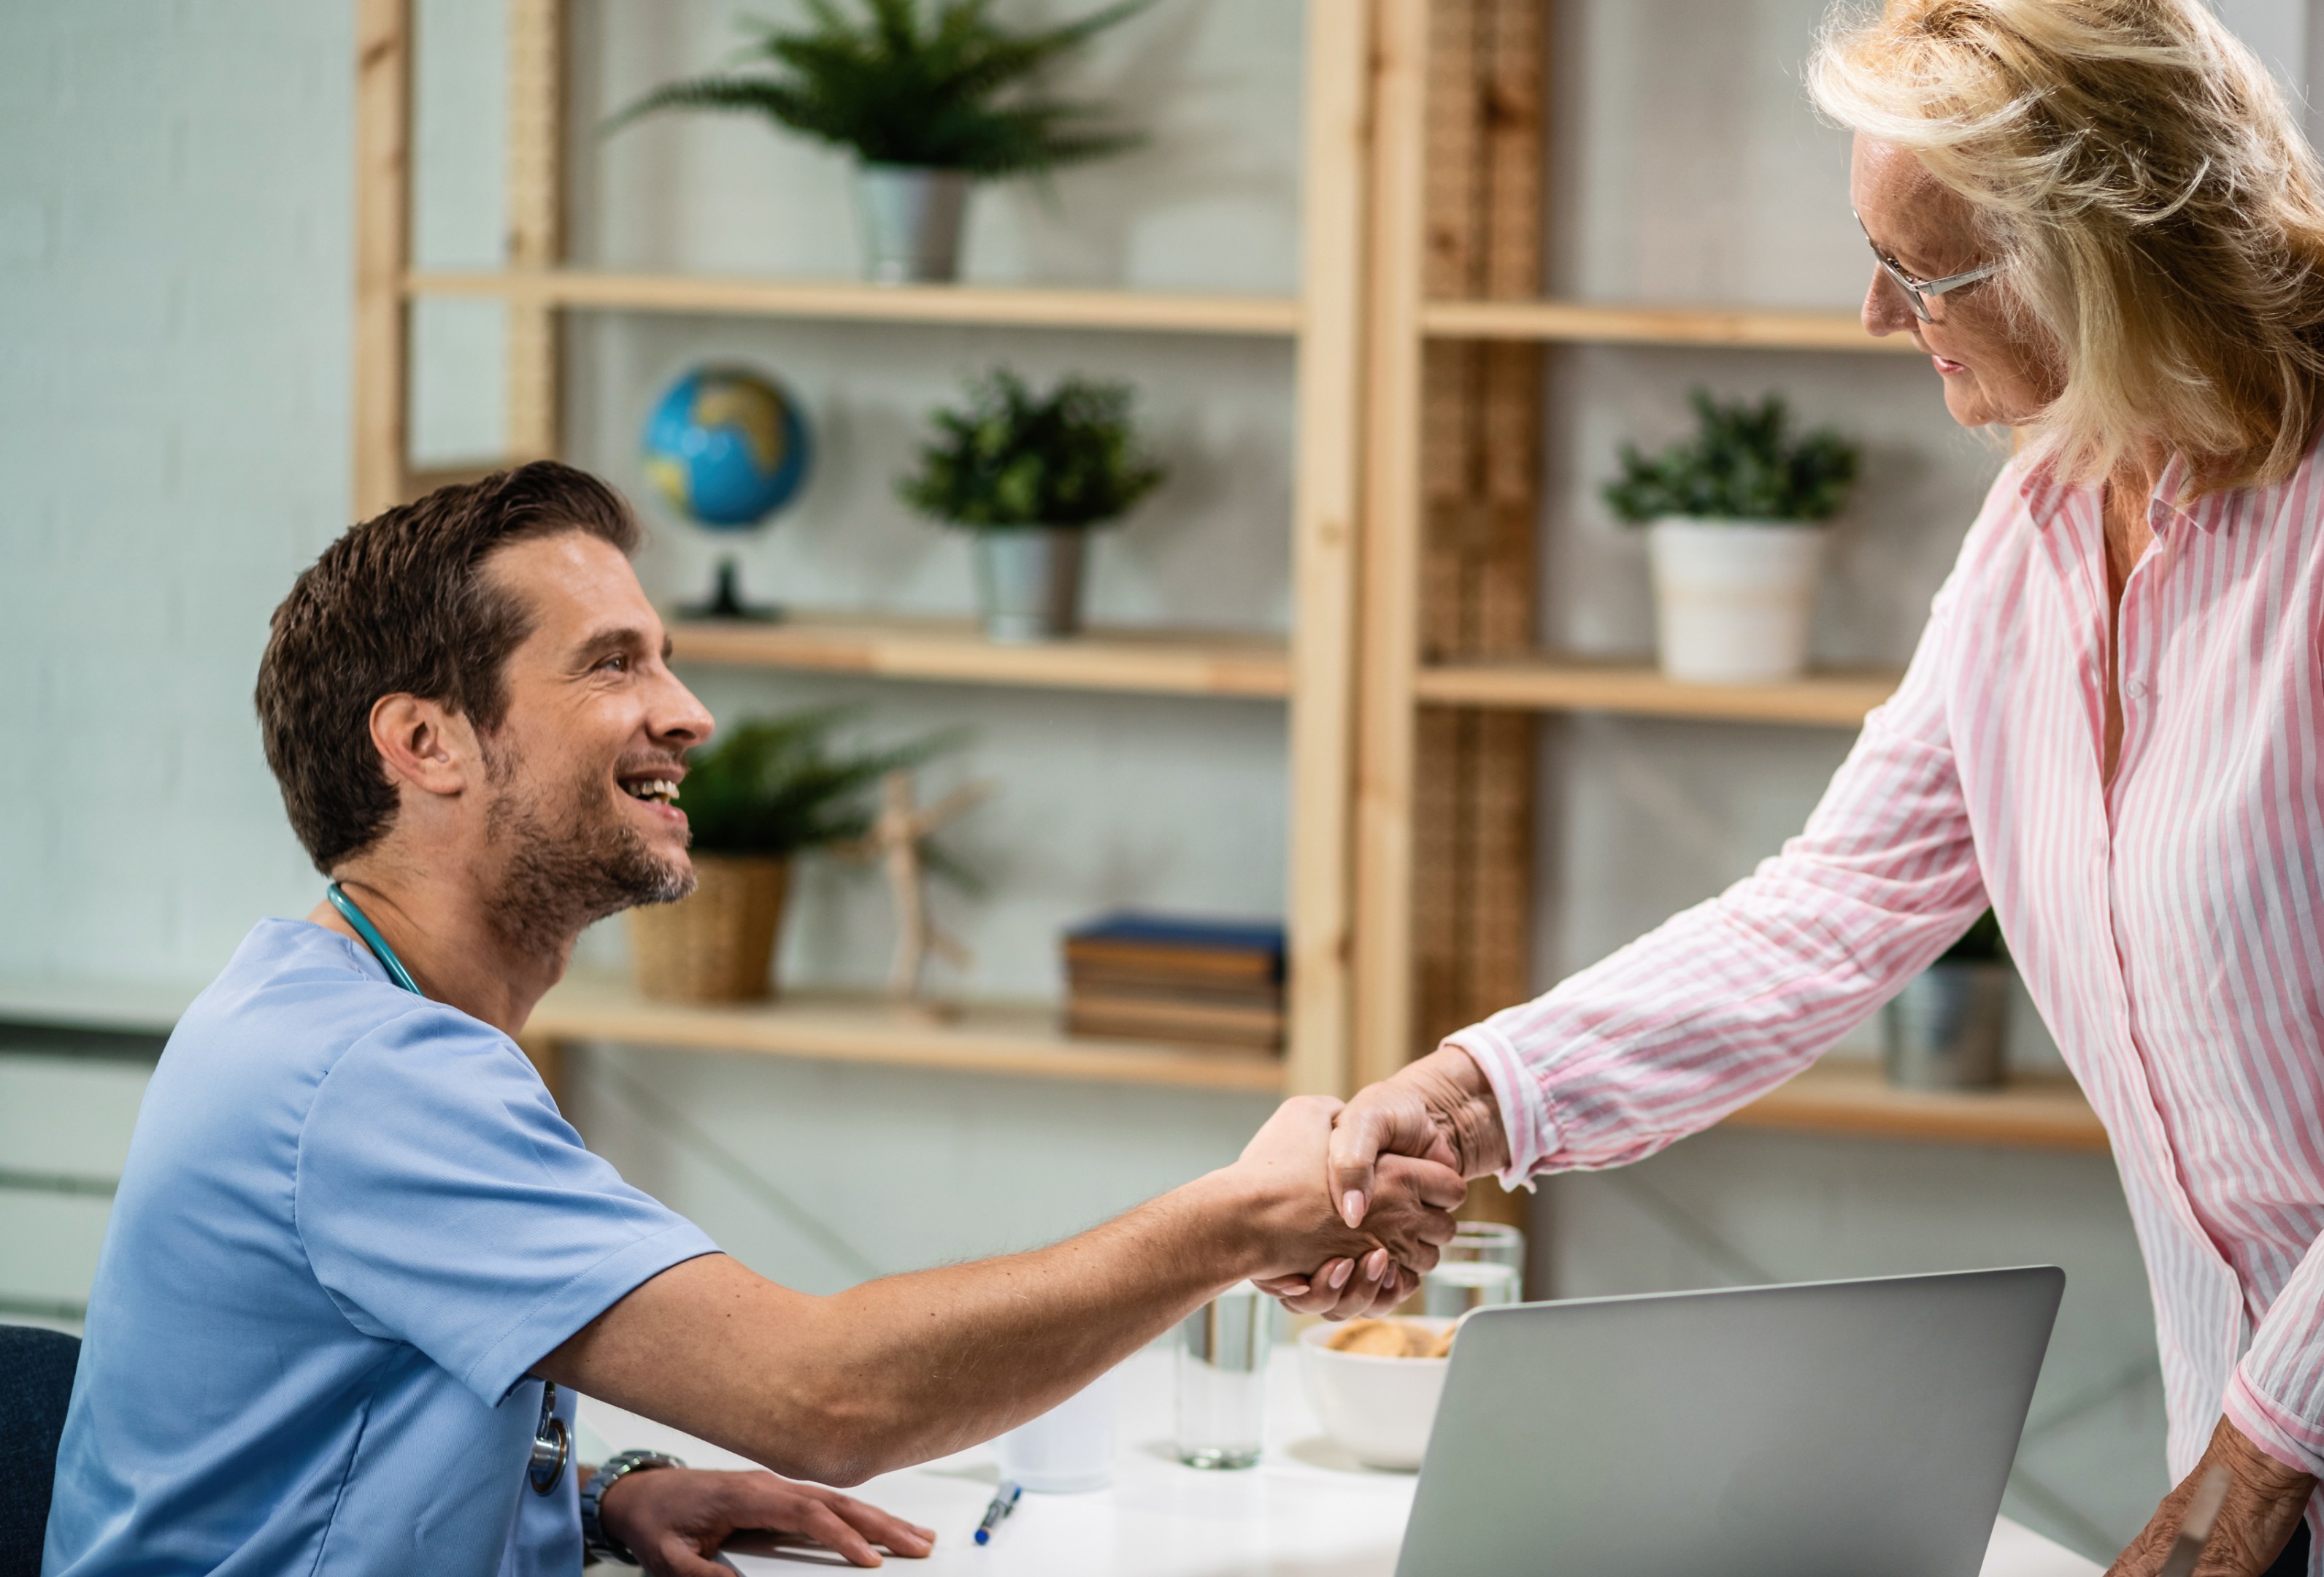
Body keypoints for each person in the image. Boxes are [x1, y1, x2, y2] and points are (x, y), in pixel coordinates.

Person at [1285, 2, 2324, 1575]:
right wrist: (1468, 1100)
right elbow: (1832, 909)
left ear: (2096, 255)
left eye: (1924, 265)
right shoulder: (2048, 524)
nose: (1880, 312)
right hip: (2316, 1443)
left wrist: (2263, 1452)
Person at [45, 463, 1454, 1577]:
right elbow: (828, 1401)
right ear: (427, 745)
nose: (690, 713)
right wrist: (1233, 1222)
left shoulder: (335, 1011)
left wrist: (595, 1498)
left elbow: (324, 1443)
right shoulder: (364, 1074)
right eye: (613, 665)